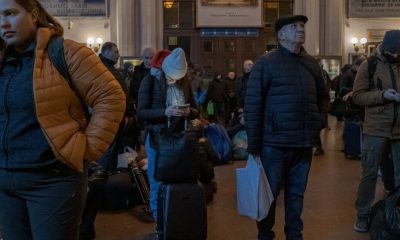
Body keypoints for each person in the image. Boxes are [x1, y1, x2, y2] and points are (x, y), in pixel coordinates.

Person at [0, 1, 126, 240]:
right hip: (5, 182)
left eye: (10, 13)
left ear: (34, 13)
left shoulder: (65, 52)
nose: (3, 23)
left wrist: (87, 149)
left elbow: (110, 96)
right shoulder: (3, 59)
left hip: (51, 182)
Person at [244, 15, 329, 240]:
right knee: (269, 195)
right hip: (274, 143)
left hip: (302, 143)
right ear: (281, 35)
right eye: (294, 27)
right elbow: (253, 104)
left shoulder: (311, 63)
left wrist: (317, 124)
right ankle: (265, 234)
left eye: (302, 26)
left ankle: (294, 234)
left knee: (296, 195)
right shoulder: (266, 63)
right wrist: (254, 145)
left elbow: (323, 96)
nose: (300, 29)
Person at [137, 48, 198, 219]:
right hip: (157, 137)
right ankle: (159, 222)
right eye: (172, 75)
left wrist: (189, 112)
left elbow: (196, 109)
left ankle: (174, 221)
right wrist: (166, 112)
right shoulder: (150, 80)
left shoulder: (184, 81)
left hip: (180, 138)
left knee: (179, 180)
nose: (175, 79)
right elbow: (141, 112)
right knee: (156, 181)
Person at [352, 29, 400, 233]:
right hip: (375, 129)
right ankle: (362, 216)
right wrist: (383, 95)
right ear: (385, 48)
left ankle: (396, 215)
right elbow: (358, 96)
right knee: (369, 175)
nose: (397, 57)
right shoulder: (368, 65)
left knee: (399, 175)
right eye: (395, 54)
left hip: (399, 129)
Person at [313, 60, 332, 156]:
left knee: (316, 125)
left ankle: (318, 147)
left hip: (318, 102)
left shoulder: (322, 73)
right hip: (318, 102)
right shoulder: (320, 73)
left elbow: (326, 85)